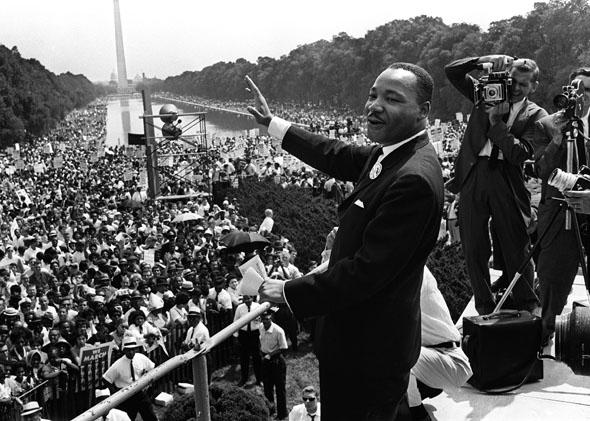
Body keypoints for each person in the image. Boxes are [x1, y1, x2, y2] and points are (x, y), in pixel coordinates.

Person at [247, 61, 444, 420]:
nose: (375, 105)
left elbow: (366, 273)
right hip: (359, 344)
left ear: (423, 111)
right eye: (372, 95)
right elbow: (333, 153)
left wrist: (291, 291)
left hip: (369, 354)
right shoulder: (392, 152)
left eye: (392, 98)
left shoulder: (413, 177)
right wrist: (272, 124)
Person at [445, 55, 547, 315]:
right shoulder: (485, 93)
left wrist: (496, 124)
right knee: (473, 245)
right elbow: (452, 72)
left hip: (507, 178)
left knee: (516, 244)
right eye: (512, 80)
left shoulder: (537, 115)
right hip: (474, 173)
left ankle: (527, 303)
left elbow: (519, 154)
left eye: (523, 85)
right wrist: (481, 61)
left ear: (533, 86)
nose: (514, 88)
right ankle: (484, 305)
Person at [532, 67, 590, 342]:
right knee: (553, 278)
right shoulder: (547, 124)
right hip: (557, 214)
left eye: (588, 90)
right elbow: (541, 171)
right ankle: (546, 332)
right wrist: (557, 140)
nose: (582, 95)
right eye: (578, 88)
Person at [407, 267, 472, 421]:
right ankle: (416, 394)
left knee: (396, 352)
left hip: (450, 359)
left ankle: (418, 414)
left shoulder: (409, 273)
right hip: (434, 356)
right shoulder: (409, 263)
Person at [102, 337, 157, 421]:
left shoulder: (141, 357)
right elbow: (106, 379)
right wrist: (115, 393)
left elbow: (152, 368)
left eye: (133, 349)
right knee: (127, 418)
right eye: (128, 350)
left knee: (150, 416)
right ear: (124, 350)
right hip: (127, 397)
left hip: (140, 393)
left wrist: (147, 381)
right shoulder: (118, 364)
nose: (131, 352)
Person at [259, 310, 288, 420]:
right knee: (267, 387)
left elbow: (283, 348)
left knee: (280, 389)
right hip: (265, 360)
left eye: (268, 319)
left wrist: (270, 355)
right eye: (264, 319)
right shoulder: (261, 327)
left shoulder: (278, 331)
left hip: (277, 361)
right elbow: (261, 340)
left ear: (271, 319)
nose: (265, 321)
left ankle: (282, 414)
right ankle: (270, 410)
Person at [233, 295, 262, 387]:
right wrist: (236, 335)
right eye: (245, 299)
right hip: (243, 334)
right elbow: (235, 322)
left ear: (252, 298)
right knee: (244, 358)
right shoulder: (240, 308)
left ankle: (259, 379)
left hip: (255, 334)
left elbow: (262, 320)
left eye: (249, 298)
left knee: (257, 357)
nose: (247, 300)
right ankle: (244, 379)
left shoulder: (257, 306)